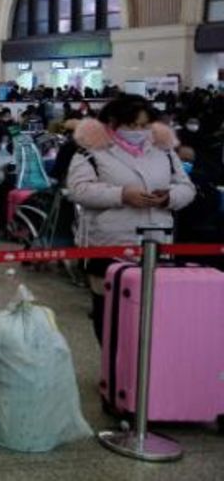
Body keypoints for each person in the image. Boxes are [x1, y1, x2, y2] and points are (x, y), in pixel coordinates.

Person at [67, 94, 196, 341]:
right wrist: (122, 195)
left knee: (152, 316)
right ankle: (114, 372)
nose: (139, 131)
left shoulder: (164, 152)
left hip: (157, 242)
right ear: (113, 123)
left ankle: (146, 374)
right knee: (110, 316)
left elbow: (186, 187)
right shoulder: (91, 152)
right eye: (131, 125)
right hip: (109, 244)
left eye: (144, 125)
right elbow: (79, 190)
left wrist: (168, 197)